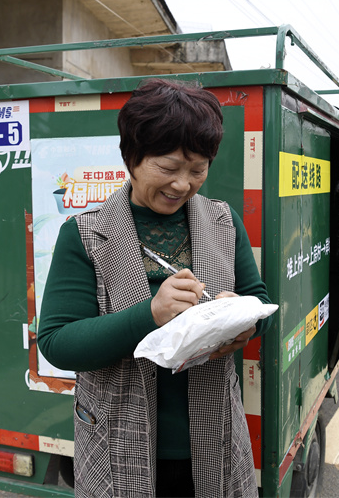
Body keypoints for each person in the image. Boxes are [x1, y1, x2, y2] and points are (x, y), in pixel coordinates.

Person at [38, 78, 272, 498]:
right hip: (116, 445)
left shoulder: (222, 222)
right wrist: (149, 315)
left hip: (213, 436)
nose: (183, 184)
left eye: (197, 170)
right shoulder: (86, 234)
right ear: (132, 158)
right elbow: (58, 342)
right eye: (167, 168)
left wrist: (242, 320)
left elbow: (261, 300)